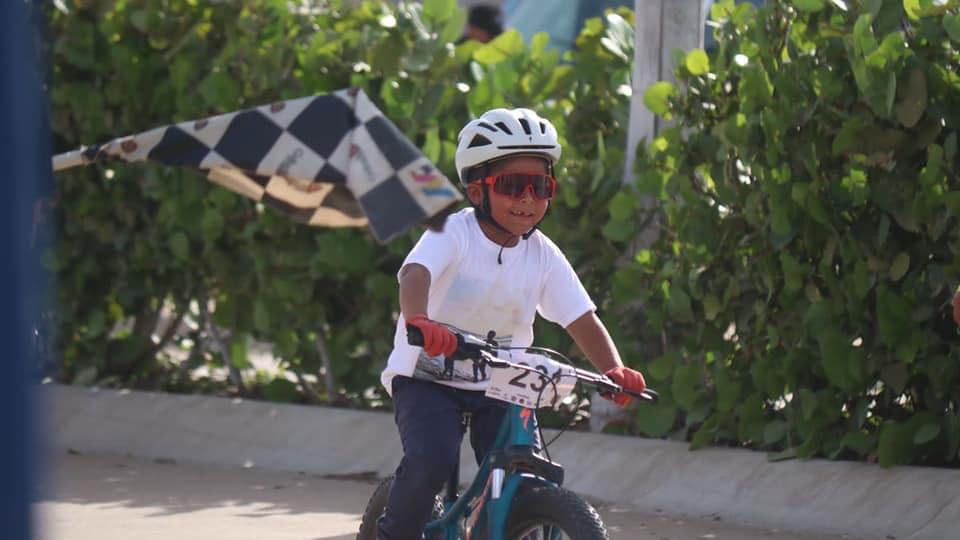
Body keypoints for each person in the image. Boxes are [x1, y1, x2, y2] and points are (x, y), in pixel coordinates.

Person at [376, 108, 648, 539]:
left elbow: (581, 317)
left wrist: (613, 370)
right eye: (511, 185)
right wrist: (420, 321)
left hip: (501, 380)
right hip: (428, 376)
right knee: (431, 460)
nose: (527, 199)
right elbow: (415, 274)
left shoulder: (542, 253)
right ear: (476, 189)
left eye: (540, 186)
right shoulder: (453, 231)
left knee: (524, 470)